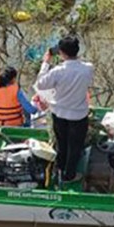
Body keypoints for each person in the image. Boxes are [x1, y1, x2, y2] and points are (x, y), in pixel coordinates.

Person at [35, 35, 94, 183]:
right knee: (75, 147)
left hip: (59, 114)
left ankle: (60, 169)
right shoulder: (88, 69)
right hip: (79, 117)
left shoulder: (57, 71)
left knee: (61, 144)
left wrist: (45, 63)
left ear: (61, 53)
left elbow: (41, 84)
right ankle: (70, 175)